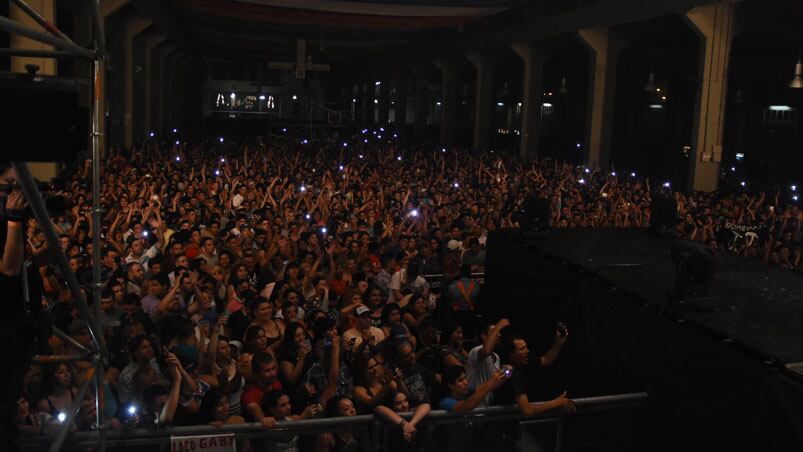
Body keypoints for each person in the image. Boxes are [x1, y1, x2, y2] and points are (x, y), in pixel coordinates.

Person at [494, 333, 576, 416]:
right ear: (512, 354)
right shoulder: (511, 374)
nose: (527, 351)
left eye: (526, 347)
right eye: (522, 349)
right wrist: (557, 402)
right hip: (501, 422)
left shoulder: (522, 364)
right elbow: (527, 410)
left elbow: (546, 360)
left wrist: (559, 343)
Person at [467, 318, 509, 407]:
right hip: (473, 404)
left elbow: (495, 383)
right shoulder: (476, 350)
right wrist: (498, 326)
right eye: (493, 331)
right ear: (484, 336)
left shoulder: (496, 357)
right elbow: (486, 351)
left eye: (498, 332)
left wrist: (507, 373)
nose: (498, 334)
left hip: (487, 404)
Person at [242, 351, 283, 427]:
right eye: (267, 371)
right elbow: (265, 423)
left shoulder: (276, 383)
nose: (273, 374)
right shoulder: (250, 397)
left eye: (273, 368)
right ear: (256, 374)